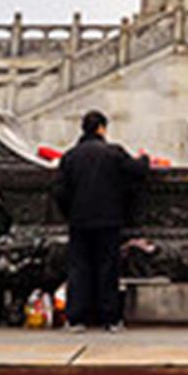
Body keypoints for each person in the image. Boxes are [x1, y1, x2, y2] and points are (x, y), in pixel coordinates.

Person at [56, 109, 150, 331]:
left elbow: (59, 191)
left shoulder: (70, 156)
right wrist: (144, 158)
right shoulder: (112, 153)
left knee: (79, 269)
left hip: (79, 221)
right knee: (108, 269)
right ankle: (110, 318)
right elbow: (138, 170)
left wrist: (70, 212)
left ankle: (76, 318)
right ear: (101, 128)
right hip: (108, 220)